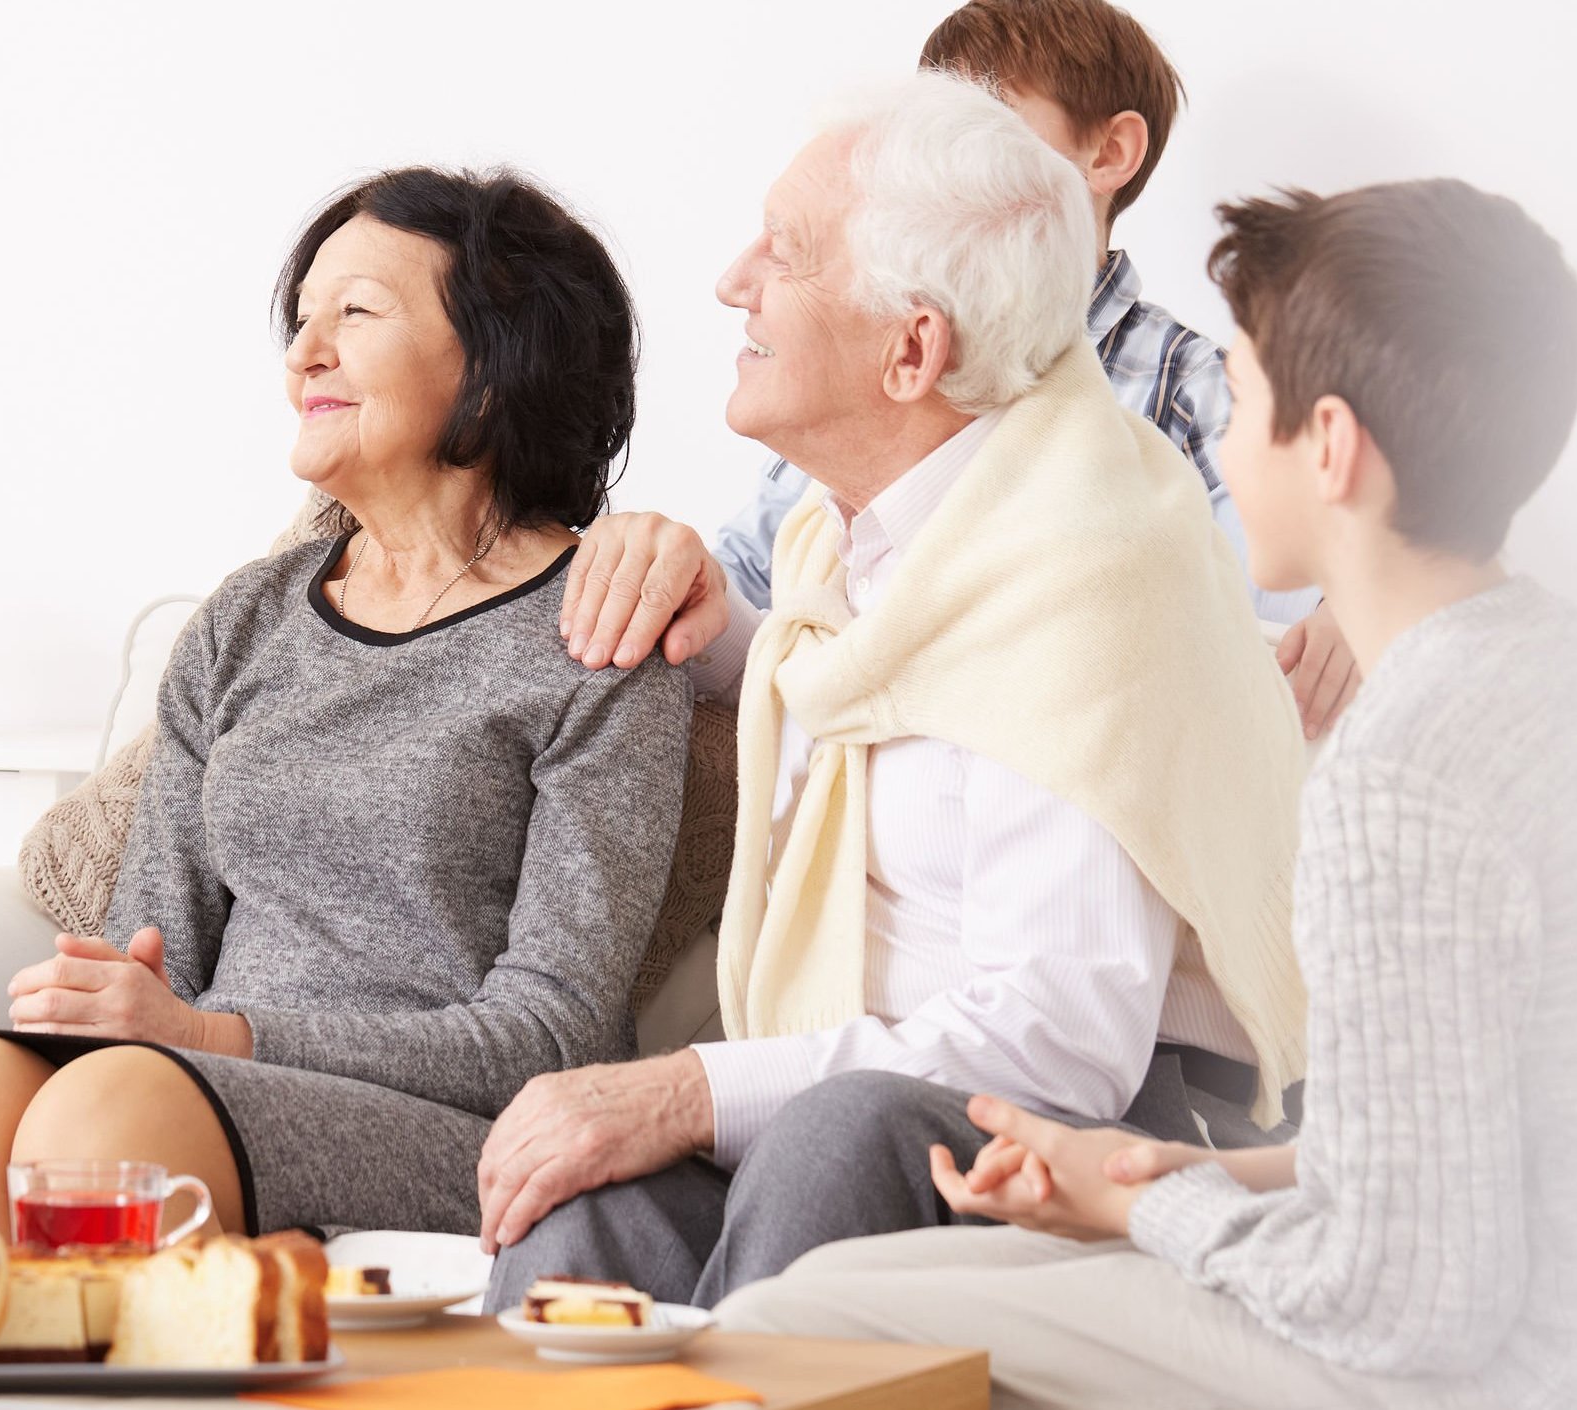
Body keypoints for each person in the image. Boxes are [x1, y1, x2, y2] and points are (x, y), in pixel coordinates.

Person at [716, 178, 1577, 1410]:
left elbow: (1408, 1297)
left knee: (805, 1318)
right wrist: (1149, 1167)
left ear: (1330, 447)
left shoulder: (1400, 779)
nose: (1212, 441)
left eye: (1244, 396)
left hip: (1501, 1372)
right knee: (919, 1281)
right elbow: (1465, 1156)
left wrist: (1146, 1207)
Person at [477, 71, 1307, 1312]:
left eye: (787, 254)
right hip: (859, 1116)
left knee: (833, 1135)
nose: (731, 281)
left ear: (912, 349)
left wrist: (693, 1088)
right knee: (580, 1201)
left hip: (1063, 1138)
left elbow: (1065, 1037)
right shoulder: (859, 545)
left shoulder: (1080, 569)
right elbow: (908, 700)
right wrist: (721, 631)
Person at [0, 168, 691, 1240]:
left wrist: (220, 1042)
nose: (306, 353)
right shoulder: (246, 620)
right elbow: (149, 950)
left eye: (356, 312)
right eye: (302, 321)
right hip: (200, 1082)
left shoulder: (601, 637)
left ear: (493, 367)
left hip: (449, 1123)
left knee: (112, 1114)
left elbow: (552, 1035)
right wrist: (119, 1009)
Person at [574, 0, 1358, 738]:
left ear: (1110, 152)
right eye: (927, 124)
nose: (937, 151)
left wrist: (1353, 611)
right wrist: (671, 576)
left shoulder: (1192, 389)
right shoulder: (858, 366)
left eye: (980, 123)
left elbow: (1281, 615)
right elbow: (751, 592)